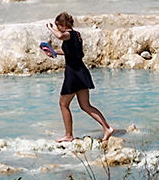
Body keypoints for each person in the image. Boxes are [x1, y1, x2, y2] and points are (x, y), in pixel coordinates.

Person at [44, 12, 114, 142]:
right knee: (86, 105)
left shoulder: (67, 34)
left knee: (63, 104)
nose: (57, 29)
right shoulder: (77, 35)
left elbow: (60, 36)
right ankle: (107, 128)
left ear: (64, 25)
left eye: (58, 26)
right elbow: (69, 52)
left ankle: (68, 135)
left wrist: (49, 27)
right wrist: (54, 52)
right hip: (81, 72)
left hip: (73, 74)